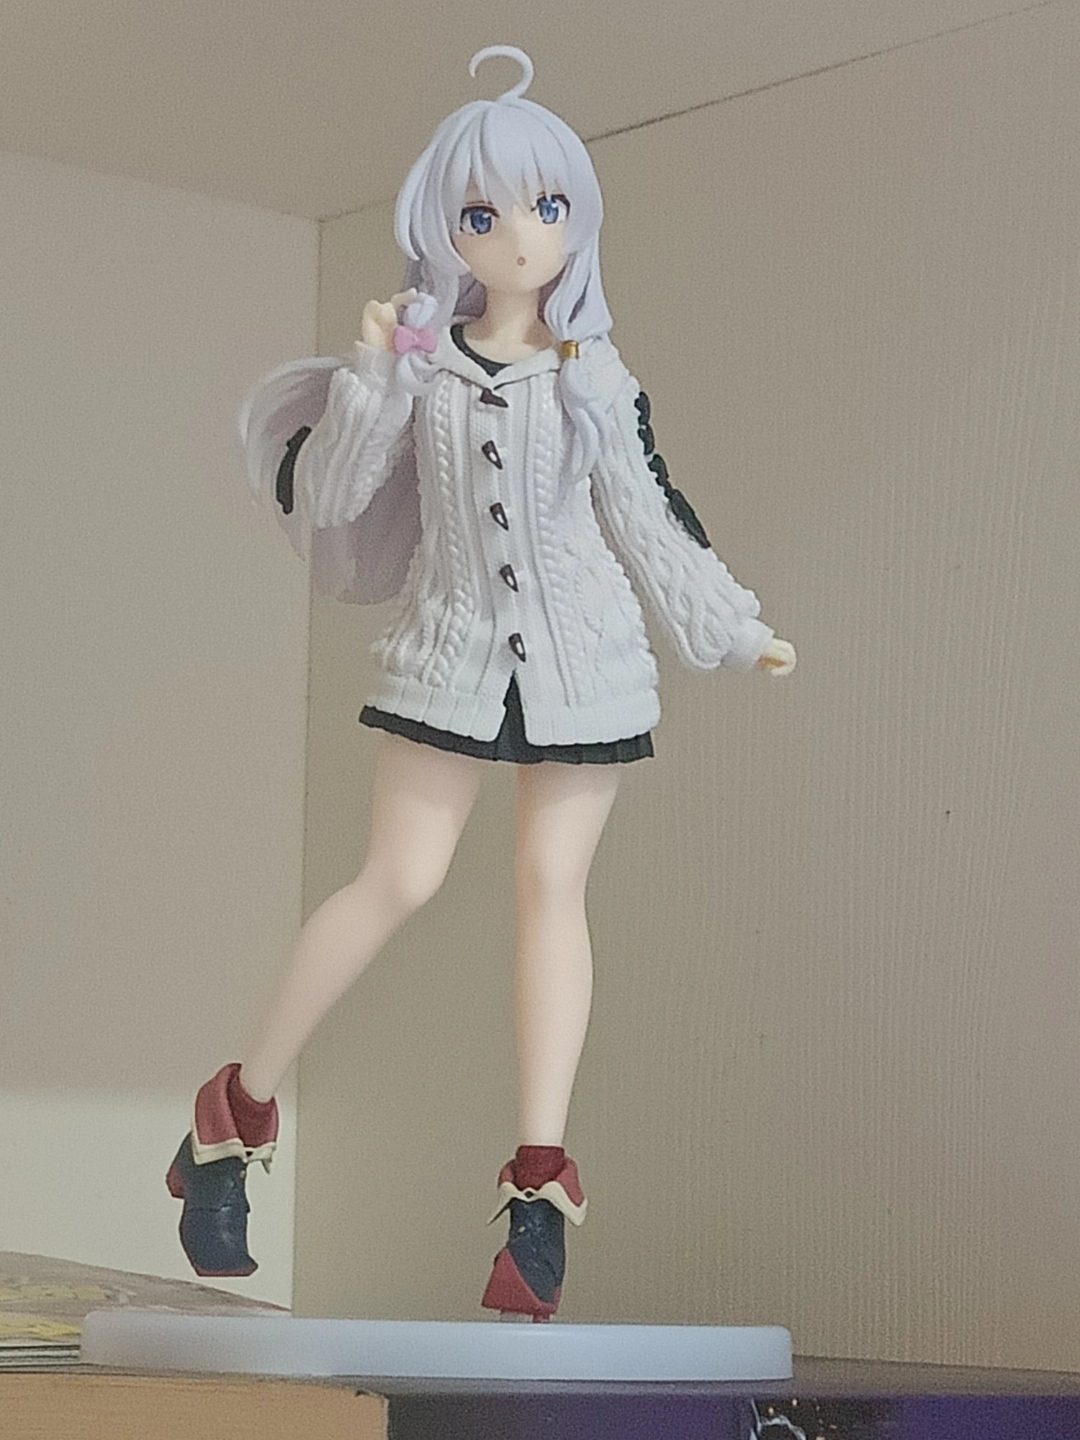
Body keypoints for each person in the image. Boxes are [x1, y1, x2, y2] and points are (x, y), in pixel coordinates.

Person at [166, 45, 796, 1322]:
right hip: (449, 654)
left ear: (577, 219)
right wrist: (373, 378)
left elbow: (650, 514)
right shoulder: (418, 363)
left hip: (587, 665)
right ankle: (230, 1124)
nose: (519, 235)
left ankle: (539, 1193)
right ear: (443, 227)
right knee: (395, 879)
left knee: (551, 892)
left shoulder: (593, 373)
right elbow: (333, 497)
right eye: (483, 212)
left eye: (546, 206)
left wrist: (731, 628)